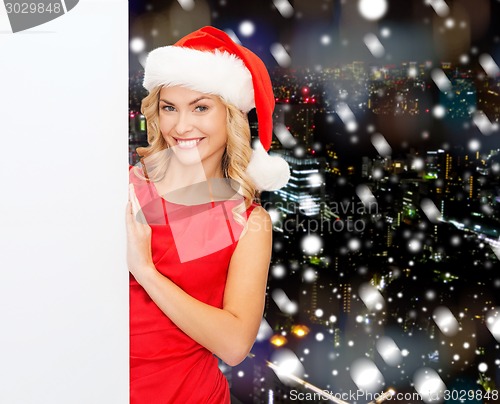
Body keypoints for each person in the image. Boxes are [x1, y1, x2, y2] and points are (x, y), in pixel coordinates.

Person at [126, 26, 290, 403]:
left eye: (200, 107)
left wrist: (146, 272)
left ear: (230, 115)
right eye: (170, 107)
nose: (181, 127)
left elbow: (234, 345)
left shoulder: (246, 220)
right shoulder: (128, 185)